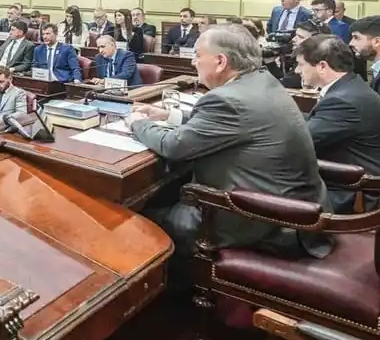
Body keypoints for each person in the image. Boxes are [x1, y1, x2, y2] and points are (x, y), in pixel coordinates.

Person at [128, 25, 329, 265]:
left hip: (261, 220)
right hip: (297, 209)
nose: (193, 62)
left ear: (221, 61)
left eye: (198, 56)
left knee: (133, 217)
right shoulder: (262, 81)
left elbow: (173, 145)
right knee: (165, 192)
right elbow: (229, 123)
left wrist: (137, 123)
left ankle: (166, 292)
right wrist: (168, 116)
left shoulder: (227, 100)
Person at [296, 35, 380, 213]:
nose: (296, 71)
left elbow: (300, 142)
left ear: (322, 66)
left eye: (301, 64)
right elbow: (317, 121)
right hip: (349, 181)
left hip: (353, 194)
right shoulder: (350, 87)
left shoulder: (343, 101)